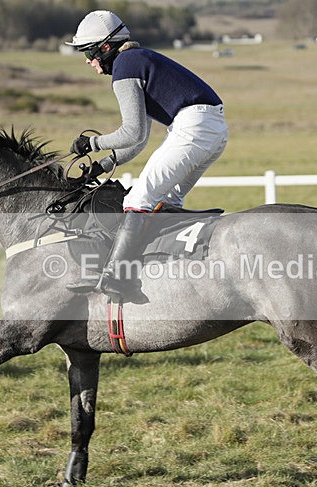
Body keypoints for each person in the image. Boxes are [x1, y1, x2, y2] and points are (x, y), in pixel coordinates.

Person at [65, 10, 228, 300]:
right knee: (166, 202)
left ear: (105, 47)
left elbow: (132, 133)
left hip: (193, 128)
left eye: (88, 52)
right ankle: (166, 273)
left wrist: (92, 144)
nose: (88, 61)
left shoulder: (125, 65)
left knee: (137, 201)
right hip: (211, 129)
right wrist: (102, 165)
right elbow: (139, 141)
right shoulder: (137, 60)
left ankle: (116, 277)